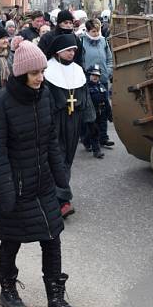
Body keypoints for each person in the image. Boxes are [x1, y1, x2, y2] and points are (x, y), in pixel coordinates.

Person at [0, 40, 83, 307]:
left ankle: (55, 301)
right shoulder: (0, 103)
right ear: (21, 74)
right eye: (35, 73)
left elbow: (51, 141)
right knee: (11, 240)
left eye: (42, 71)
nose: (41, 78)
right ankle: (7, 290)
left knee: (53, 239)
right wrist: (5, 191)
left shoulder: (44, 97)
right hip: (15, 187)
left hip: (42, 185)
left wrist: (61, 178)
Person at [45, 34, 95, 218]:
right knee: (56, 158)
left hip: (74, 120)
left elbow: (85, 96)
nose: (72, 53)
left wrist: (90, 121)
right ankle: (61, 200)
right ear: (58, 51)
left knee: (67, 159)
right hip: (55, 121)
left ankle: (59, 197)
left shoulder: (78, 70)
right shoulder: (47, 70)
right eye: (68, 50)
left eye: (74, 50)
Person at [81, 19, 114, 147]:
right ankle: (87, 140)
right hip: (88, 82)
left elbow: (109, 58)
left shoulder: (103, 41)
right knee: (90, 112)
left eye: (97, 31)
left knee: (104, 110)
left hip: (103, 80)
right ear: (88, 31)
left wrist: (109, 71)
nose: (96, 33)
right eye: (93, 31)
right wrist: (86, 75)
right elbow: (81, 60)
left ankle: (103, 137)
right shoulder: (82, 42)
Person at [86, 65, 112, 159]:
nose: (95, 77)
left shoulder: (102, 86)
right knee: (93, 131)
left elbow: (106, 100)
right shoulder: (85, 88)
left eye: (97, 75)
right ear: (89, 75)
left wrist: (110, 114)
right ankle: (96, 150)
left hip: (102, 112)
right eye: (93, 75)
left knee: (102, 127)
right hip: (92, 113)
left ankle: (103, 140)